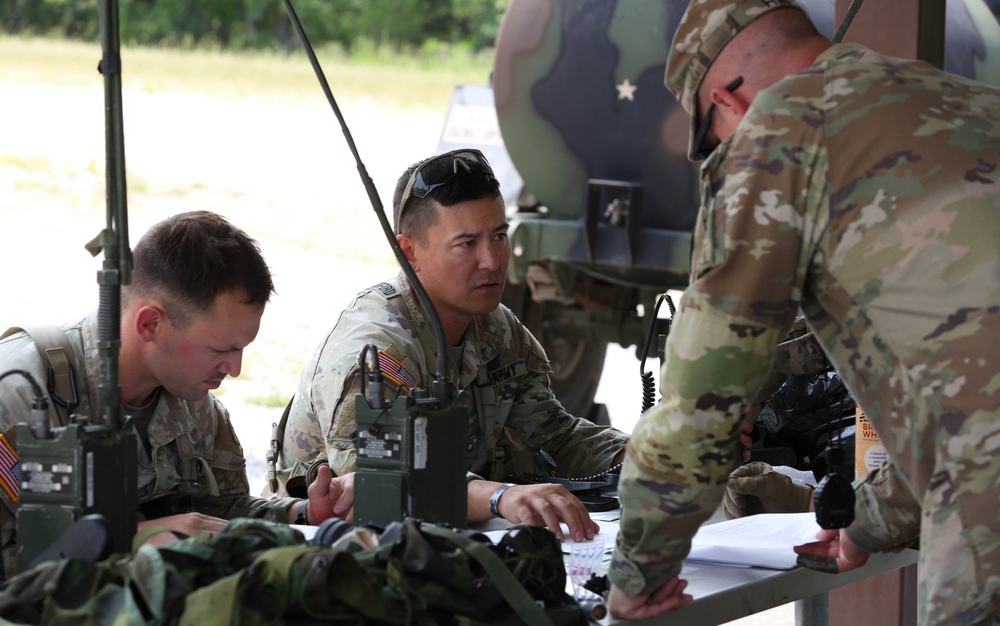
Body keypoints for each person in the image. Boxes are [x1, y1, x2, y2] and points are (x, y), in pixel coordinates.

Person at [606, 0, 1000, 625]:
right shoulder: (968, 105)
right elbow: (961, 380)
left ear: (726, 100)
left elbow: (705, 397)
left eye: (707, 140)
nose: (717, 153)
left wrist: (637, 571)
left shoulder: (777, 133)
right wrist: (867, 525)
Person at [273, 149, 629, 542]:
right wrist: (498, 497)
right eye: (466, 244)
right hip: (334, 557)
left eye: (499, 236)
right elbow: (380, 487)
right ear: (409, 252)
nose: (492, 261)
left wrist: (646, 457)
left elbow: (553, 438)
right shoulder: (374, 352)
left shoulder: (495, 327)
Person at [0, 210, 344, 582]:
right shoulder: (18, 398)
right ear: (150, 324)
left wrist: (303, 514)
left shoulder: (191, 398)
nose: (234, 368)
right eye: (219, 350)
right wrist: (123, 545)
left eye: (241, 349)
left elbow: (220, 511)